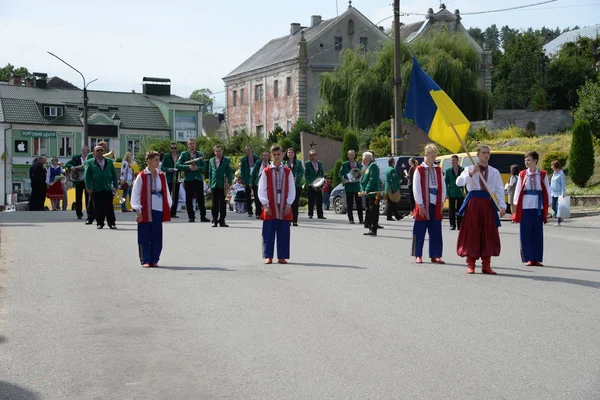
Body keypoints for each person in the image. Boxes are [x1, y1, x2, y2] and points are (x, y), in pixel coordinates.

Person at [456, 145, 507, 274]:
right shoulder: (469, 169)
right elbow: (459, 182)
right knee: (472, 233)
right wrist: (471, 173)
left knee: (488, 233)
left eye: (488, 153)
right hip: (473, 203)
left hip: (487, 204)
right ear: (477, 155)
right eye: (483, 153)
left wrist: (502, 206)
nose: (486, 155)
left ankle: (486, 264)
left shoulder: (494, 171)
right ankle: (471, 264)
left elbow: (500, 189)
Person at [130, 151, 172, 268]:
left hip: (158, 208)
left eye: (158, 160)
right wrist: (138, 210)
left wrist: (168, 205)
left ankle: (154, 259)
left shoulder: (161, 175)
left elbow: (166, 191)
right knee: (144, 234)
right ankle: (145, 259)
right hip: (145, 208)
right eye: (156, 160)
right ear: (148, 161)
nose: (158, 162)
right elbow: (136, 193)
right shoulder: (142, 175)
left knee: (156, 235)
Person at [512, 151, 552, 267]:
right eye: (525, 160)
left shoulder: (543, 174)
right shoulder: (522, 174)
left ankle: (537, 258)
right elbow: (519, 190)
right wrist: (516, 206)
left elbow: (547, 189)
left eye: (529, 160)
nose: (526, 162)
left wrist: (548, 204)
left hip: (538, 205)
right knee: (525, 232)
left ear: (535, 161)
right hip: (525, 205)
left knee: (537, 232)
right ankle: (528, 258)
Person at [258, 145, 296, 264]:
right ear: (271, 156)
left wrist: (289, 203)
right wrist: (265, 204)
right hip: (270, 203)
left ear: (282, 155)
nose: (277, 157)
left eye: (279, 154)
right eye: (274, 155)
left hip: (284, 203)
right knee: (268, 231)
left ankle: (282, 256)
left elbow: (291, 188)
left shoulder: (287, 171)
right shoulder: (267, 171)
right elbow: (261, 188)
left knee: (284, 231)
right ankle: (268, 255)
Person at [411, 144, 446, 264]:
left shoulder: (438, 169)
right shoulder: (419, 169)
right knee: (419, 230)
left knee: (436, 230)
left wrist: (441, 202)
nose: (433, 159)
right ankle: (418, 254)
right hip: (424, 202)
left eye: (434, 156)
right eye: (431, 156)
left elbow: (443, 185)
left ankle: (435, 254)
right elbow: (416, 188)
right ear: (425, 155)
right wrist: (420, 204)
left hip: (435, 203)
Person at [84, 145, 119, 229]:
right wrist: (88, 187)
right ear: (94, 153)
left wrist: (115, 185)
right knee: (98, 207)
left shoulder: (109, 161)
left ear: (104, 152)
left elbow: (114, 174)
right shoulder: (90, 162)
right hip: (96, 187)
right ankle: (100, 223)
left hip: (107, 187)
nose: (100, 152)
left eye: (101, 150)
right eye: (97, 150)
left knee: (109, 206)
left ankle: (112, 223)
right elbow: (87, 176)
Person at [176, 138, 209, 223]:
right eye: (190, 144)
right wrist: (188, 167)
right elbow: (178, 165)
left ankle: (203, 216)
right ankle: (191, 217)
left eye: (193, 143)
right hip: (188, 180)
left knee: (201, 198)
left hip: (198, 179)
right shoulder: (184, 154)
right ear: (187, 145)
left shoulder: (200, 154)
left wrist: (198, 168)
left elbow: (204, 168)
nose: (192, 145)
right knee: (189, 199)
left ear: (195, 145)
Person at [209, 145, 234, 227]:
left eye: (219, 151)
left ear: (222, 151)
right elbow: (210, 173)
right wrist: (210, 183)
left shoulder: (227, 160)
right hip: (214, 184)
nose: (218, 153)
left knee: (223, 203)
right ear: (214, 152)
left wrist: (229, 183)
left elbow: (230, 172)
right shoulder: (211, 160)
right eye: (216, 151)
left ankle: (222, 220)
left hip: (223, 184)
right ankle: (214, 220)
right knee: (214, 204)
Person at [339, 150, 364, 224]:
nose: (352, 156)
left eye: (353, 155)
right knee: (349, 204)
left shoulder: (359, 164)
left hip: (357, 187)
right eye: (350, 155)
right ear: (348, 155)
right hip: (349, 186)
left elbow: (362, 173)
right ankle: (351, 219)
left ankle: (361, 219)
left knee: (359, 204)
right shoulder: (344, 164)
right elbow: (340, 174)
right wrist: (344, 180)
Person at [65, 146, 90, 220]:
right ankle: (79, 214)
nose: (89, 151)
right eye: (87, 150)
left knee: (88, 198)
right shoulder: (76, 158)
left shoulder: (91, 158)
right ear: (83, 151)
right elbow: (67, 164)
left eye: (89, 150)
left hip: (87, 180)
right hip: (78, 180)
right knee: (78, 197)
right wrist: (72, 167)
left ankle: (89, 213)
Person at [359, 151, 380, 236]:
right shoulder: (366, 167)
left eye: (363, 159)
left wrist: (366, 190)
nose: (362, 160)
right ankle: (370, 227)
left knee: (373, 211)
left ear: (366, 159)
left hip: (373, 193)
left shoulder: (373, 166)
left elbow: (372, 180)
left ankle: (373, 229)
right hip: (368, 194)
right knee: (369, 211)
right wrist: (362, 190)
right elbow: (362, 180)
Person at [283, 148, 304, 226]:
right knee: (288, 203)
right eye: (289, 152)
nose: (290, 154)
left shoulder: (298, 163)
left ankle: (295, 220)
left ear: (294, 154)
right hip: (287, 186)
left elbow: (302, 172)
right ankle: (288, 219)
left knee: (295, 202)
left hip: (297, 185)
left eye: (291, 152)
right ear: (287, 154)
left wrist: (296, 177)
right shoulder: (284, 163)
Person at [160, 142, 181, 218]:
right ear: (170, 149)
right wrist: (169, 169)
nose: (173, 150)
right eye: (172, 148)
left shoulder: (179, 156)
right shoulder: (166, 156)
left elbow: (181, 166)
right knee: (167, 196)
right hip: (169, 179)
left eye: (175, 148)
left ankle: (173, 213)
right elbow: (162, 168)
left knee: (175, 197)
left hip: (177, 179)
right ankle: (166, 212)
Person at [444, 155, 464, 230]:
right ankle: (452, 224)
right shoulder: (448, 170)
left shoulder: (462, 169)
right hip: (452, 192)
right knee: (451, 209)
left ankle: (460, 224)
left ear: (457, 160)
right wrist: (446, 193)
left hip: (460, 192)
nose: (452, 162)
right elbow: (446, 183)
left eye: (453, 160)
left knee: (460, 209)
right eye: (451, 161)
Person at [304, 150, 326, 219]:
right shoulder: (307, 163)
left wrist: (322, 180)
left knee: (319, 199)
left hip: (318, 184)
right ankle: (310, 214)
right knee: (311, 200)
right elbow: (306, 174)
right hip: (311, 184)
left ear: (316, 155)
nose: (312, 156)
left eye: (313, 154)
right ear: (309, 156)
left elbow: (322, 172)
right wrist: (308, 183)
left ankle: (320, 215)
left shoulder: (320, 163)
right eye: (311, 155)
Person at [240, 145, 259, 217]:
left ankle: (258, 212)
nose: (248, 151)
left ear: (251, 150)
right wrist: (243, 181)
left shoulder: (257, 158)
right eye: (246, 150)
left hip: (255, 179)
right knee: (248, 196)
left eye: (249, 150)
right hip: (247, 179)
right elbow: (242, 171)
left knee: (257, 196)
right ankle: (249, 211)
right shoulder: (243, 159)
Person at [251, 151, 271, 219]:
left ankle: (266, 212)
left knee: (266, 198)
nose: (265, 157)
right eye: (264, 155)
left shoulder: (270, 164)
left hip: (267, 184)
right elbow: (254, 173)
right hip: (258, 183)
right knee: (257, 198)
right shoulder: (258, 163)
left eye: (267, 155)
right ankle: (258, 213)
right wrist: (251, 182)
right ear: (262, 156)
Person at [385, 157, 403, 221]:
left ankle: (397, 216)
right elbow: (393, 181)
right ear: (393, 162)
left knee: (392, 203)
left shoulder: (387, 169)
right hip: (391, 189)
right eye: (394, 161)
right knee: (391, 203)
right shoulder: (392, 170)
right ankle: (390, 217)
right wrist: (395, 190)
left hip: (388, 188)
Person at [550, 160, 566, 227]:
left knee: (558, 207)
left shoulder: (561, 174)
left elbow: (563, 184)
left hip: (559, 193)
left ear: (556, 166)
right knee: (553, 207)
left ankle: (558, 221)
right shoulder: (554, 174)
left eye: (552, 166)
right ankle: (560, 217)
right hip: (553, 193)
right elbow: (552, 184)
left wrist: (563, 193)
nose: (551, 167)